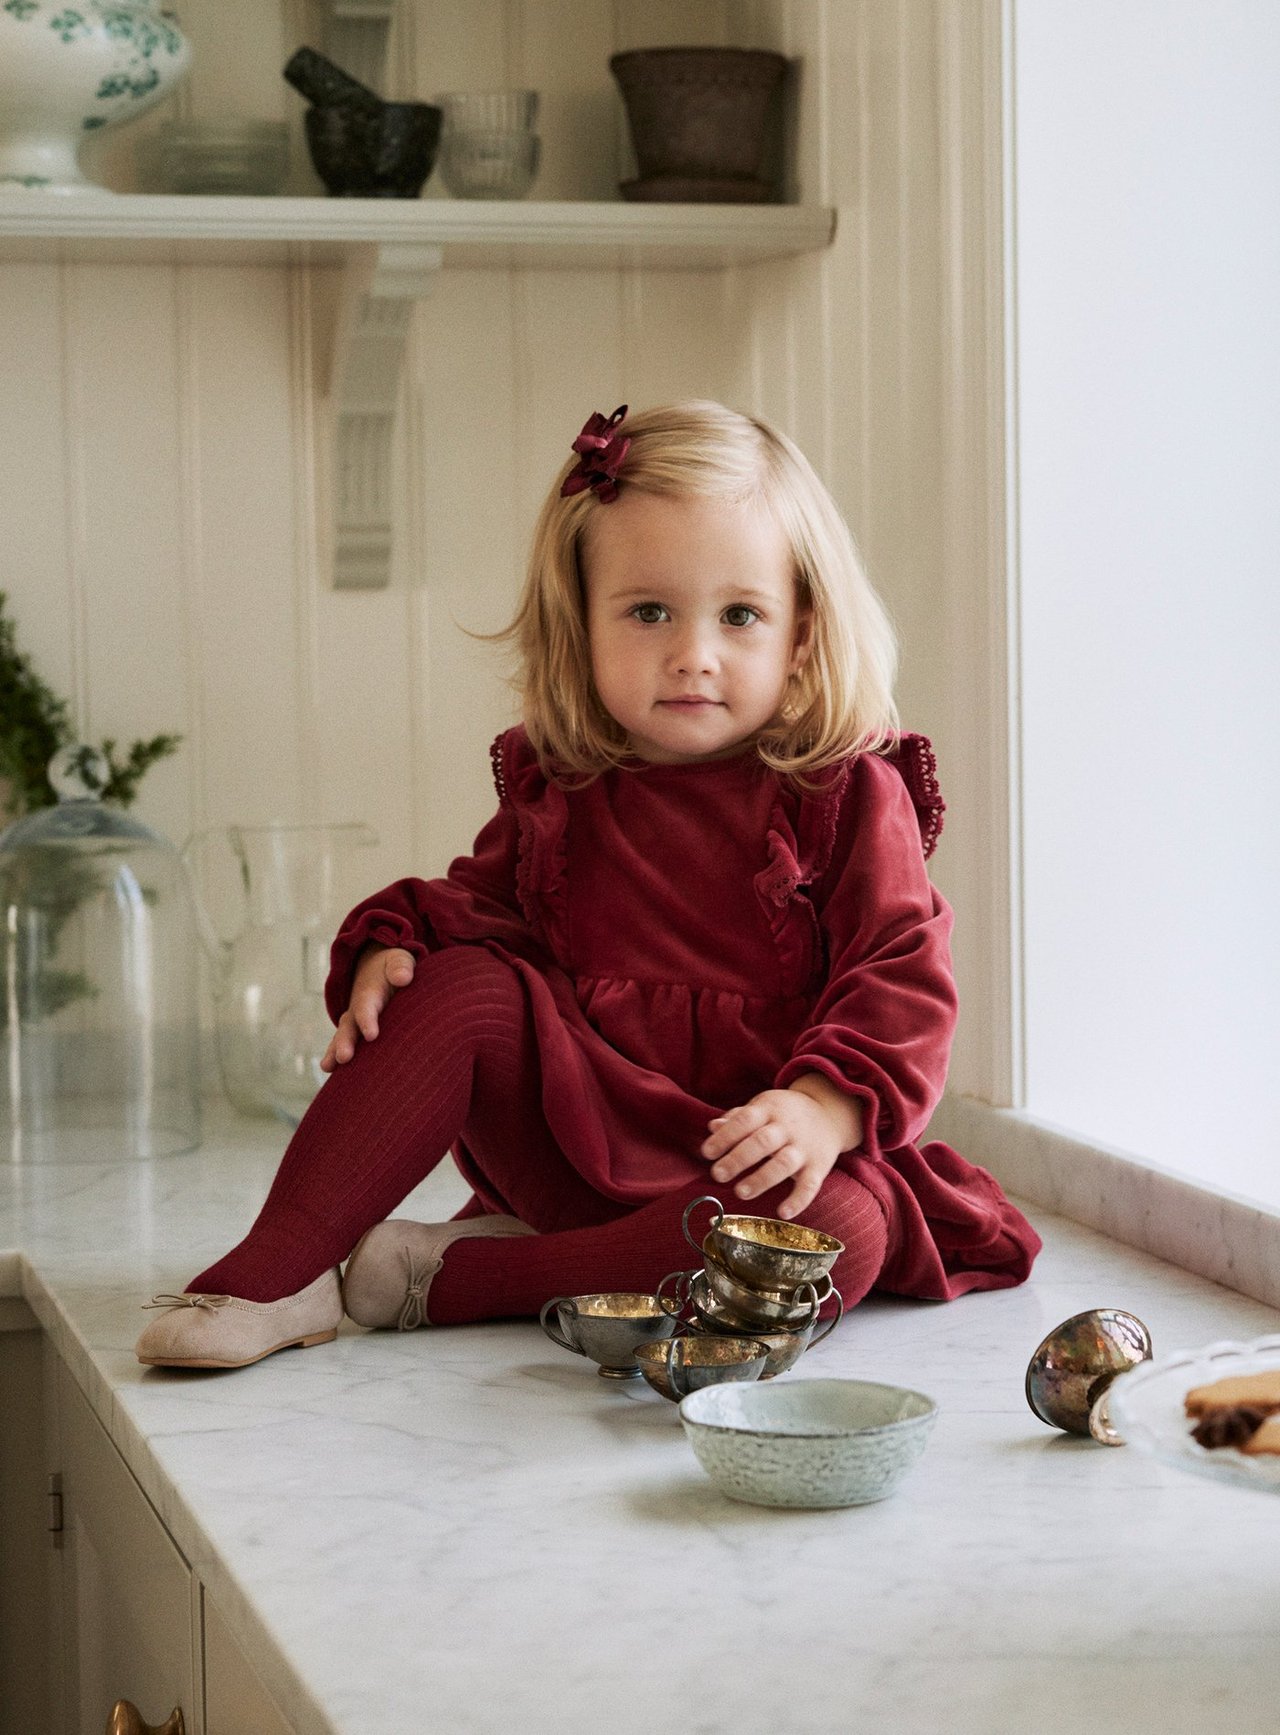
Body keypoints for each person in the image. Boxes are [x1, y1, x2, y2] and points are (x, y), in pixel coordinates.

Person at [136, 400, 1040, 1370]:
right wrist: (398, 946)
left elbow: (898, 969)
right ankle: (275, 1271)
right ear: (582, 620)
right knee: (459, 983)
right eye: (649, 611)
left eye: (739, 615)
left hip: (741, 1160)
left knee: (839, 1231)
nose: (693, 651)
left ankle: (473, 1279)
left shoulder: (842, 794)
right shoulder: (566, 784)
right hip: (576, 1141)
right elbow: (475, 911)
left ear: (802, 634)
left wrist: (821, 1107)